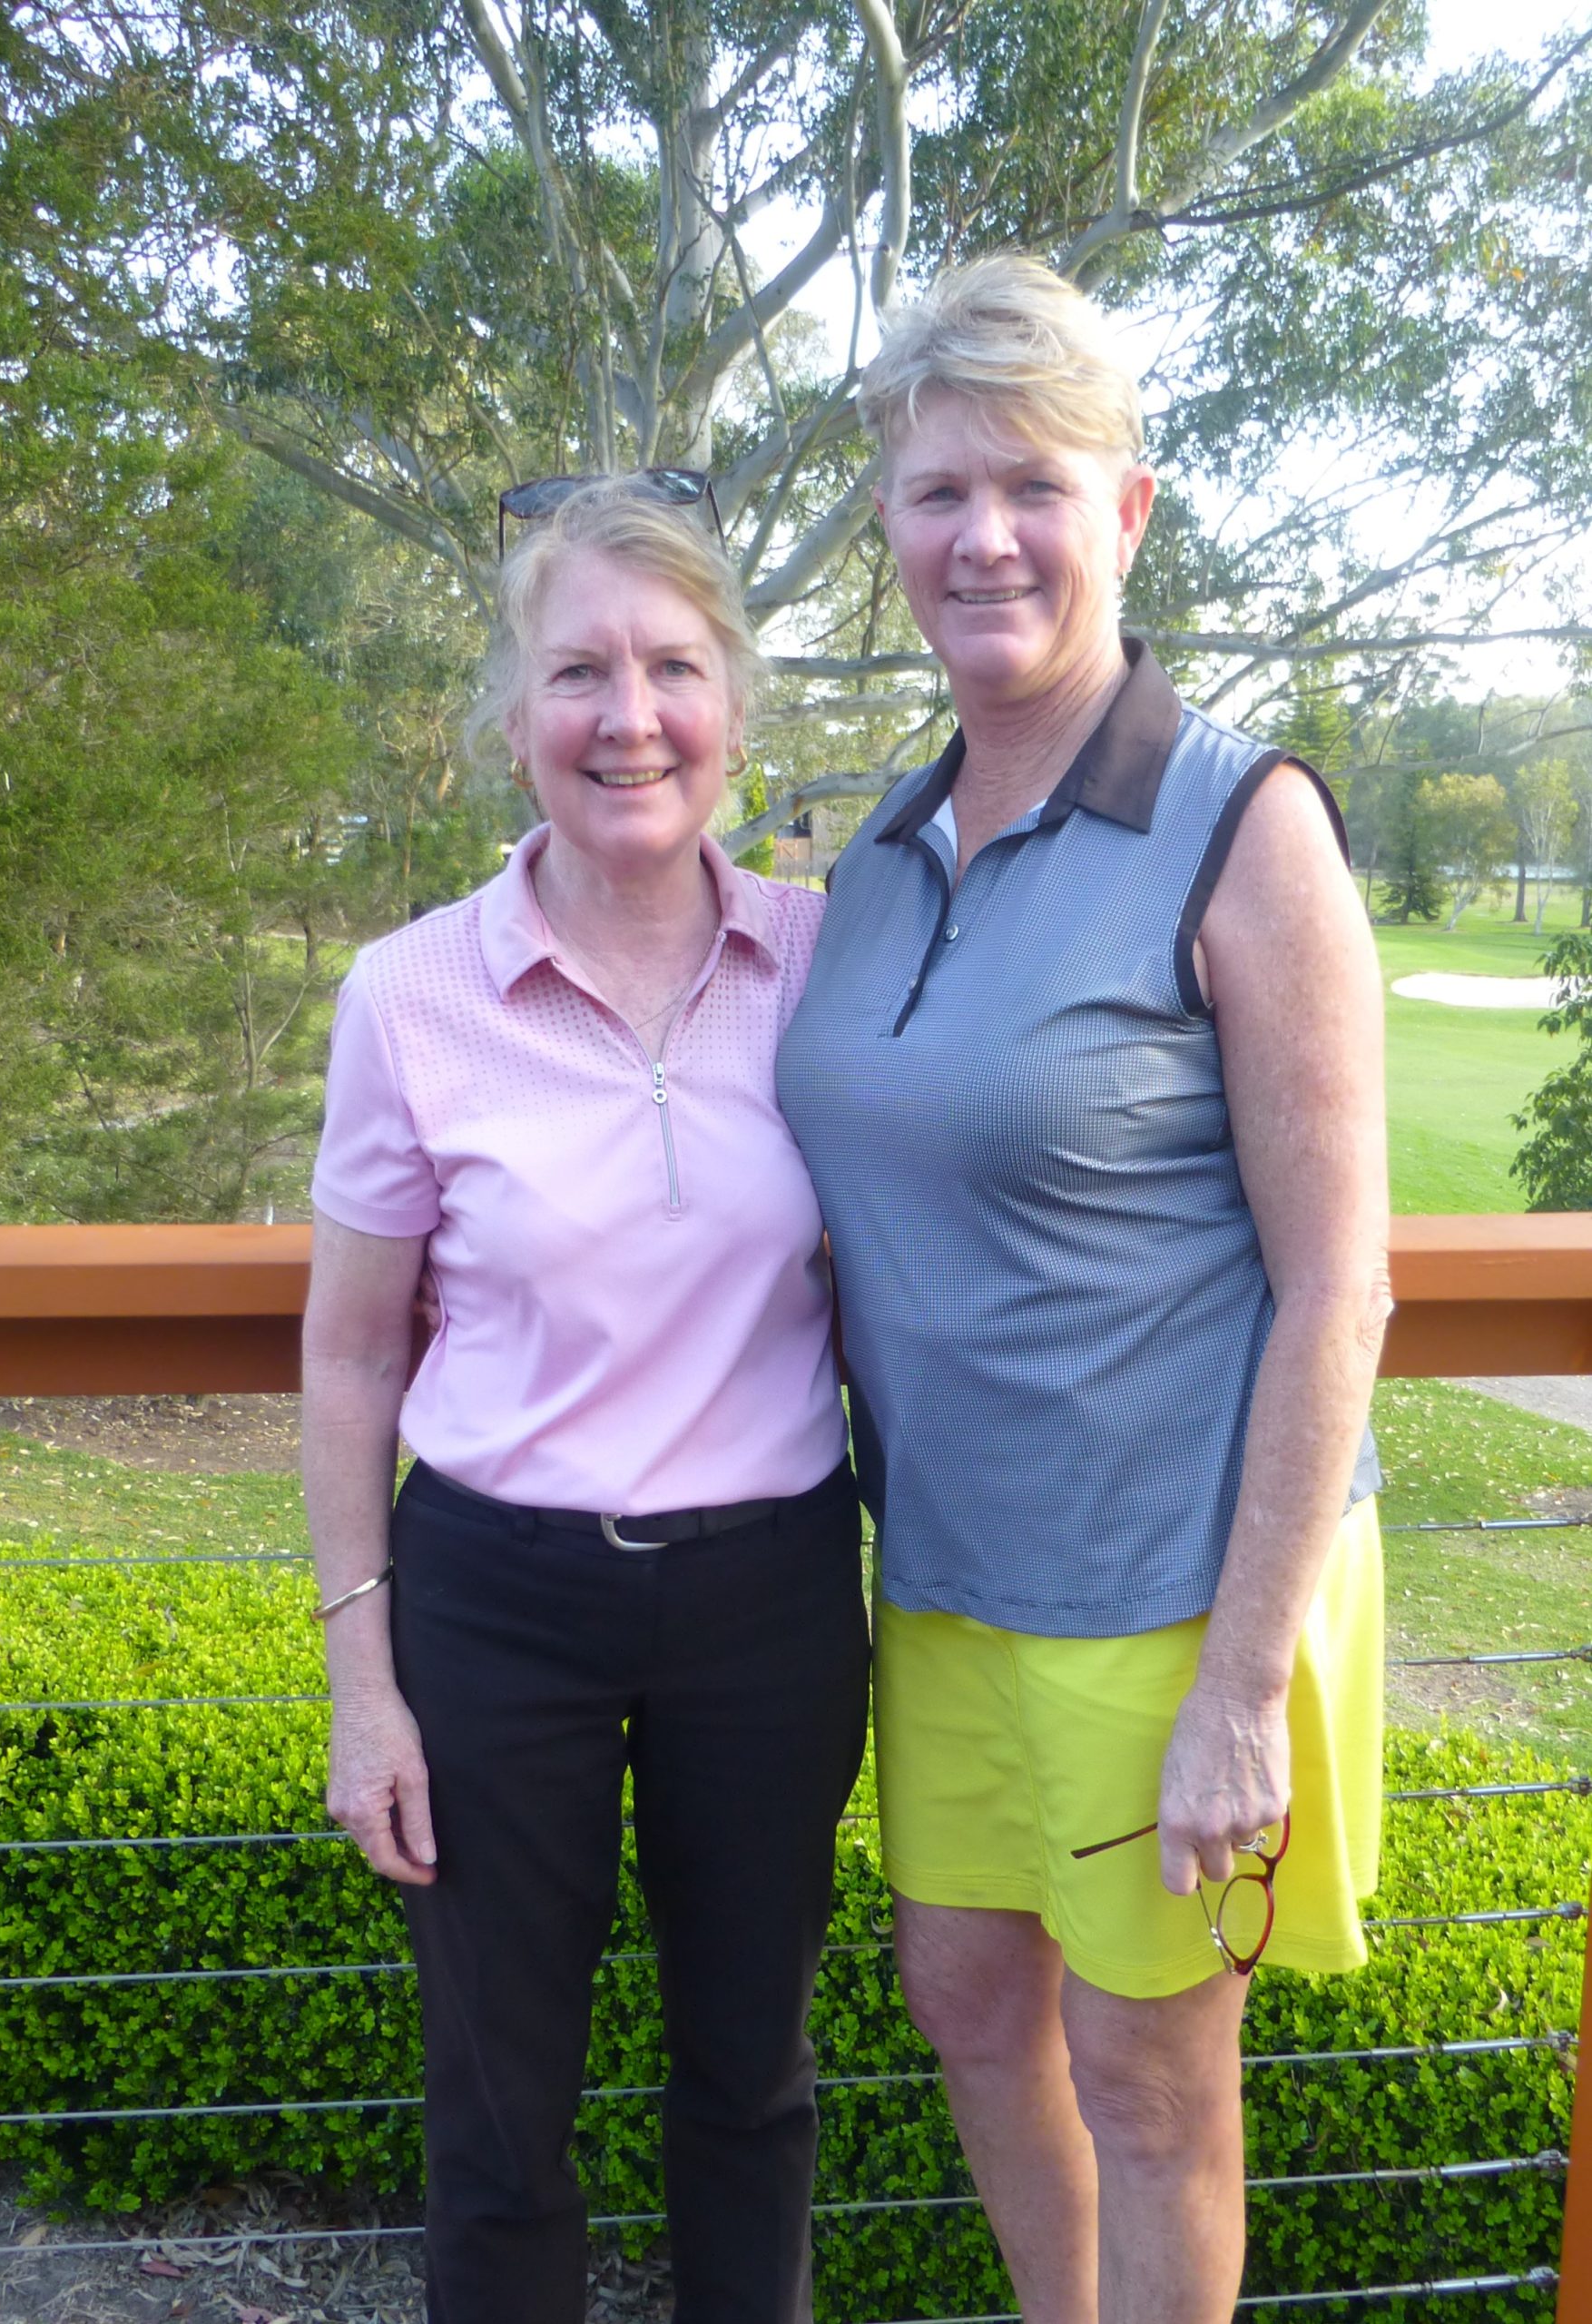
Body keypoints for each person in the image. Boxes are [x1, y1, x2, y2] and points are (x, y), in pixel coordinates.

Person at [776, 252, 1391, 2324]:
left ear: (1126, 511)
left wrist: (1242, 1682)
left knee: (1149, 2079)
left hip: (1165, 1596)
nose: (986, 537)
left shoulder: (1242, 824)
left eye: (1033, 485)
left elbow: (1342, 1288)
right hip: (946, 1574)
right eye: (939, 491)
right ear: (891, 527)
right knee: (965, 1998)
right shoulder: (882, 852)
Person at [300, 474, 869, 2324]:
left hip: (770, 1597)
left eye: (674, 667)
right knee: (497, 2120)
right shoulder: (409, 995)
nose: (630, 718)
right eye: (577, 672)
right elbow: (351, 1352)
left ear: (736, 705)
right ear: (512, 716)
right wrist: (364, 1684)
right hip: (497, 1601)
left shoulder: (830, 962)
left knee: (754, 2085)